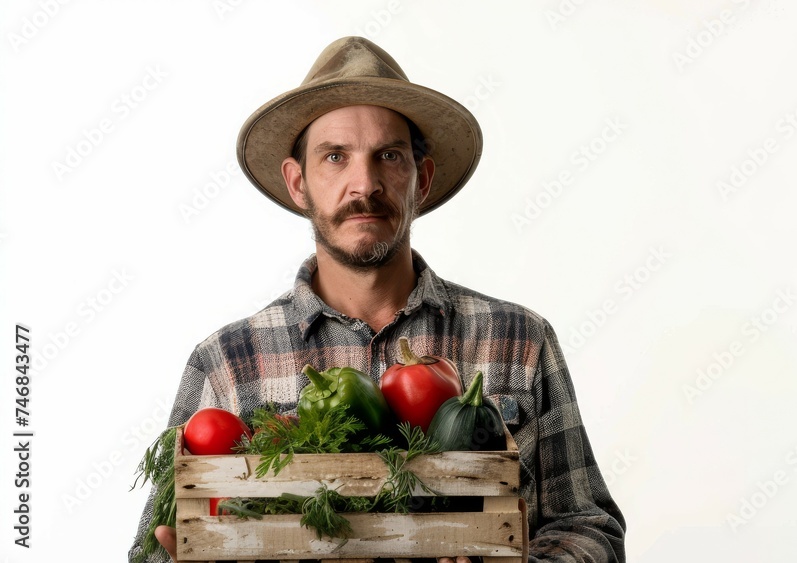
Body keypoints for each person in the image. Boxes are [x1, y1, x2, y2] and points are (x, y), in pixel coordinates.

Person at [128, 36, 626, 563]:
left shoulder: (520, 340)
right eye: (335, 157)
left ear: (422, 179)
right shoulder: (226, 361)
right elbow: (156, 547)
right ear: (298, 184)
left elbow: (588, 527)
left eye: (387, 156)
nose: (363, 185)